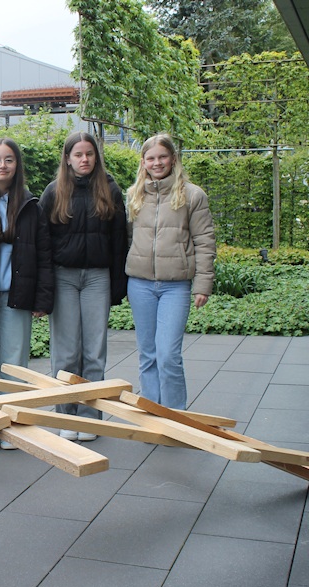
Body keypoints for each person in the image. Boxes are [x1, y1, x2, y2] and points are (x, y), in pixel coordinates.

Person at [40, 131, 127, 442]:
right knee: (65, 352)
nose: (84, 159)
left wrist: (119, 284)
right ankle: (66, 415)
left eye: (89, 154)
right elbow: (44, 245)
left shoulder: (110, 190)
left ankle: (90, 417)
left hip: (97, 278)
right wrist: (44, 288)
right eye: (78, 154)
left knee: (94, 352)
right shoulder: (53, 192)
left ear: (96, 157)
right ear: (67, 158)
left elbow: (120, 241)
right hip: (64, 277)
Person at [0, 138, 55, 451]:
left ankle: (14, 427)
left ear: (17, 165)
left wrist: (43, 298)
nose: (2, 166)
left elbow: (44, 254)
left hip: (18, 294)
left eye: (9, 160)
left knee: (15, 363)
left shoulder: (31, 205)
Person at [125, 133, 216, 410]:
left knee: (168, 354)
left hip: (175, 286)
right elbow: (126, 239)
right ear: (143, 162)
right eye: (151, 158)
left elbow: (205, 240)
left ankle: (175, 414)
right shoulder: (133, 195)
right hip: (140, 285)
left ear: (173, 159)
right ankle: (152, 411)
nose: (157, 162)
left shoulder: (192, 195)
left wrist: (203, 284)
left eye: (162, 157)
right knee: (148, 354)